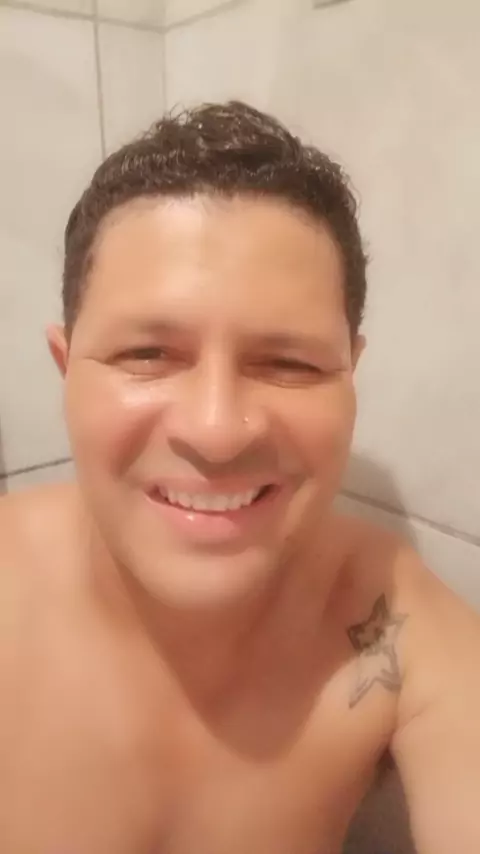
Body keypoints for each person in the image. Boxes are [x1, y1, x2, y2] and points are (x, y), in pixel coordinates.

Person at [0, 101, 479, 854]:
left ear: (350, 374)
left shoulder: (401, 629)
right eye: (146, 355)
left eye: (289, 363)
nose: (217, 430)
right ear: (66, 368)